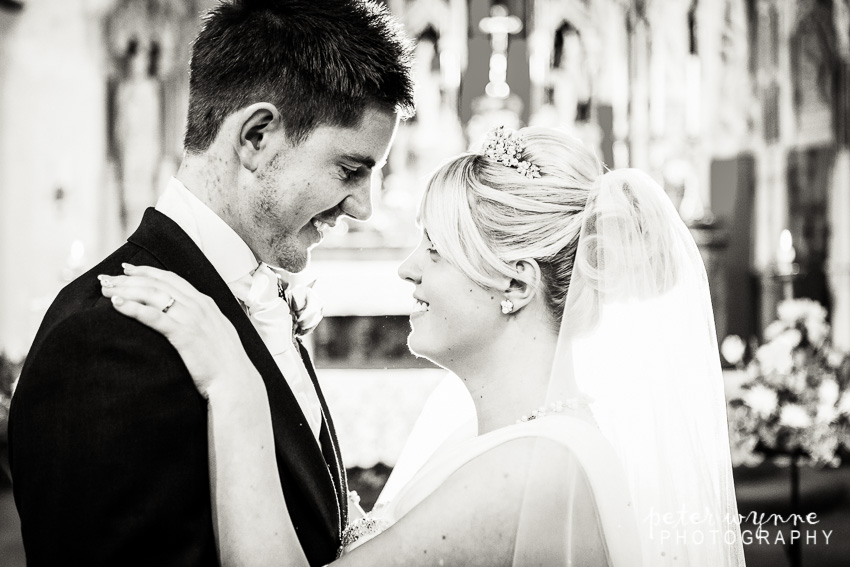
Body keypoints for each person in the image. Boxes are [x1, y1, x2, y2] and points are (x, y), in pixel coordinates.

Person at [98, 126, 747, 566]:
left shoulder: (534, 467)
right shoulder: (483, 429)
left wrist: (234, 385)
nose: (408, 267)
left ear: (514, 283)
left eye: (435, 248)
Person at [8, 2, 413, 566]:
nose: (364, 209)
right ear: (256, 136)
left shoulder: (259, 296)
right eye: (350, 170)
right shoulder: (107, 340)